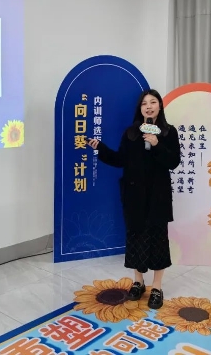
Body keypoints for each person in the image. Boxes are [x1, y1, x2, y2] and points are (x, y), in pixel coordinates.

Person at [87, 89, 180, 310]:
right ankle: (138, 282)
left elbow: (173, 162)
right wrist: (101, 148)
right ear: (140, 109)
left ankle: (156, 287)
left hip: (157, 196)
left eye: (153, 102)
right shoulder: (131, 133)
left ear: (160, 106)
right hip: (134, 196)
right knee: (136, 240)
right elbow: (120, 160)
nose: (148, 106)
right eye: (144, 104)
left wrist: (156, 144)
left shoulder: (169, 132)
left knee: (158, 241)